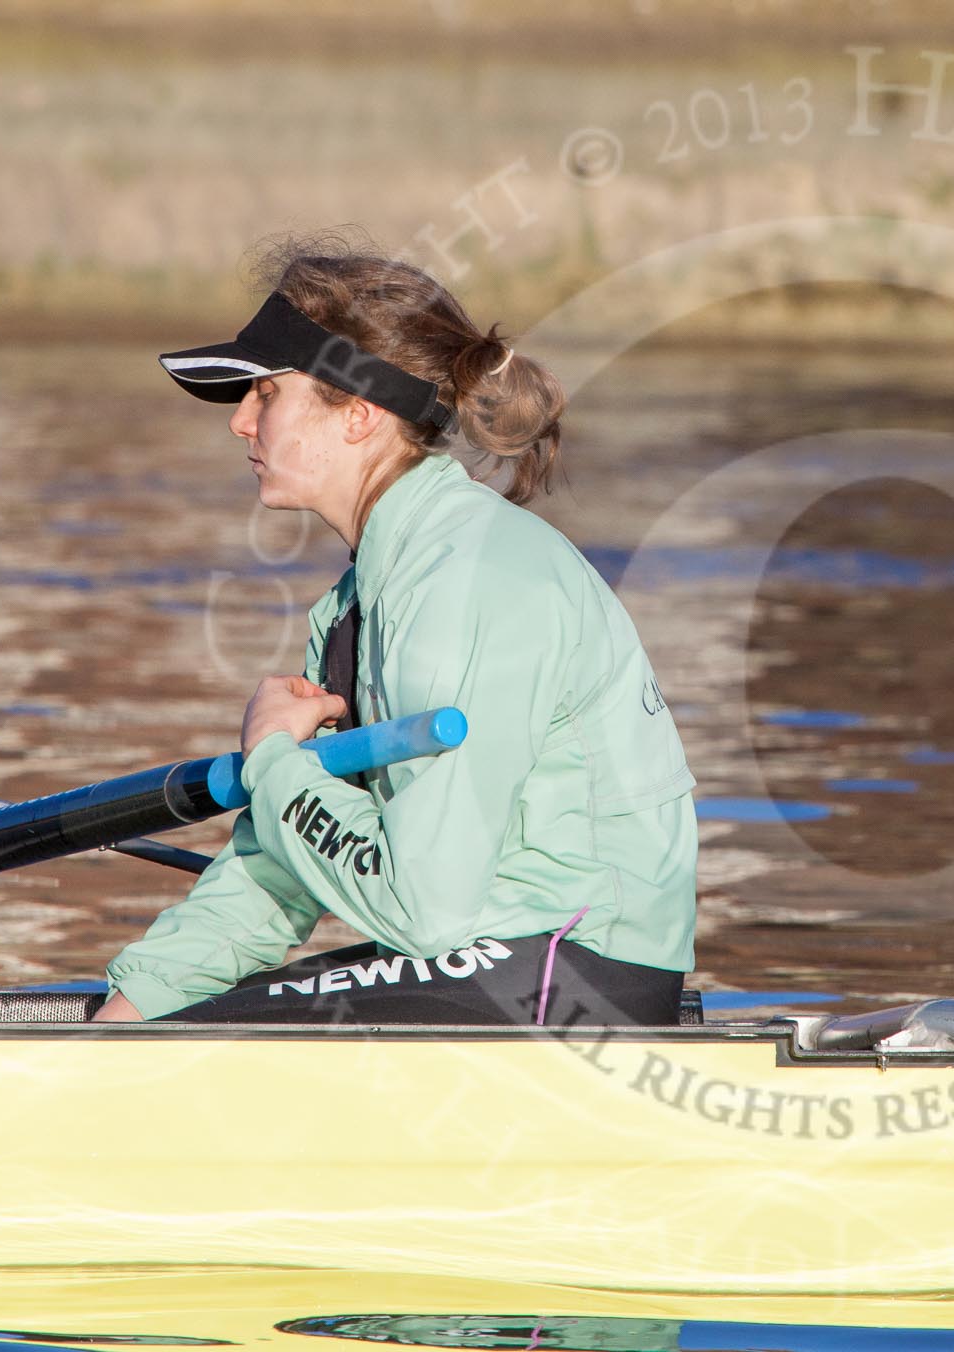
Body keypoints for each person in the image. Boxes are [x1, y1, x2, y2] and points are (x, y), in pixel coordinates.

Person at [95, 241, 697, 1025]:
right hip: (501, 954)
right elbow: (279, 867)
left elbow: (424, 910)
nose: (240, 422)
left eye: (267, 394)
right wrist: (130, 1009)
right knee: (169, 1021)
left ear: (359, 414)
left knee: (196, 1042)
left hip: (573, 969)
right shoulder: (362, 598)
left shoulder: (466, 579)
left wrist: (274, 760)